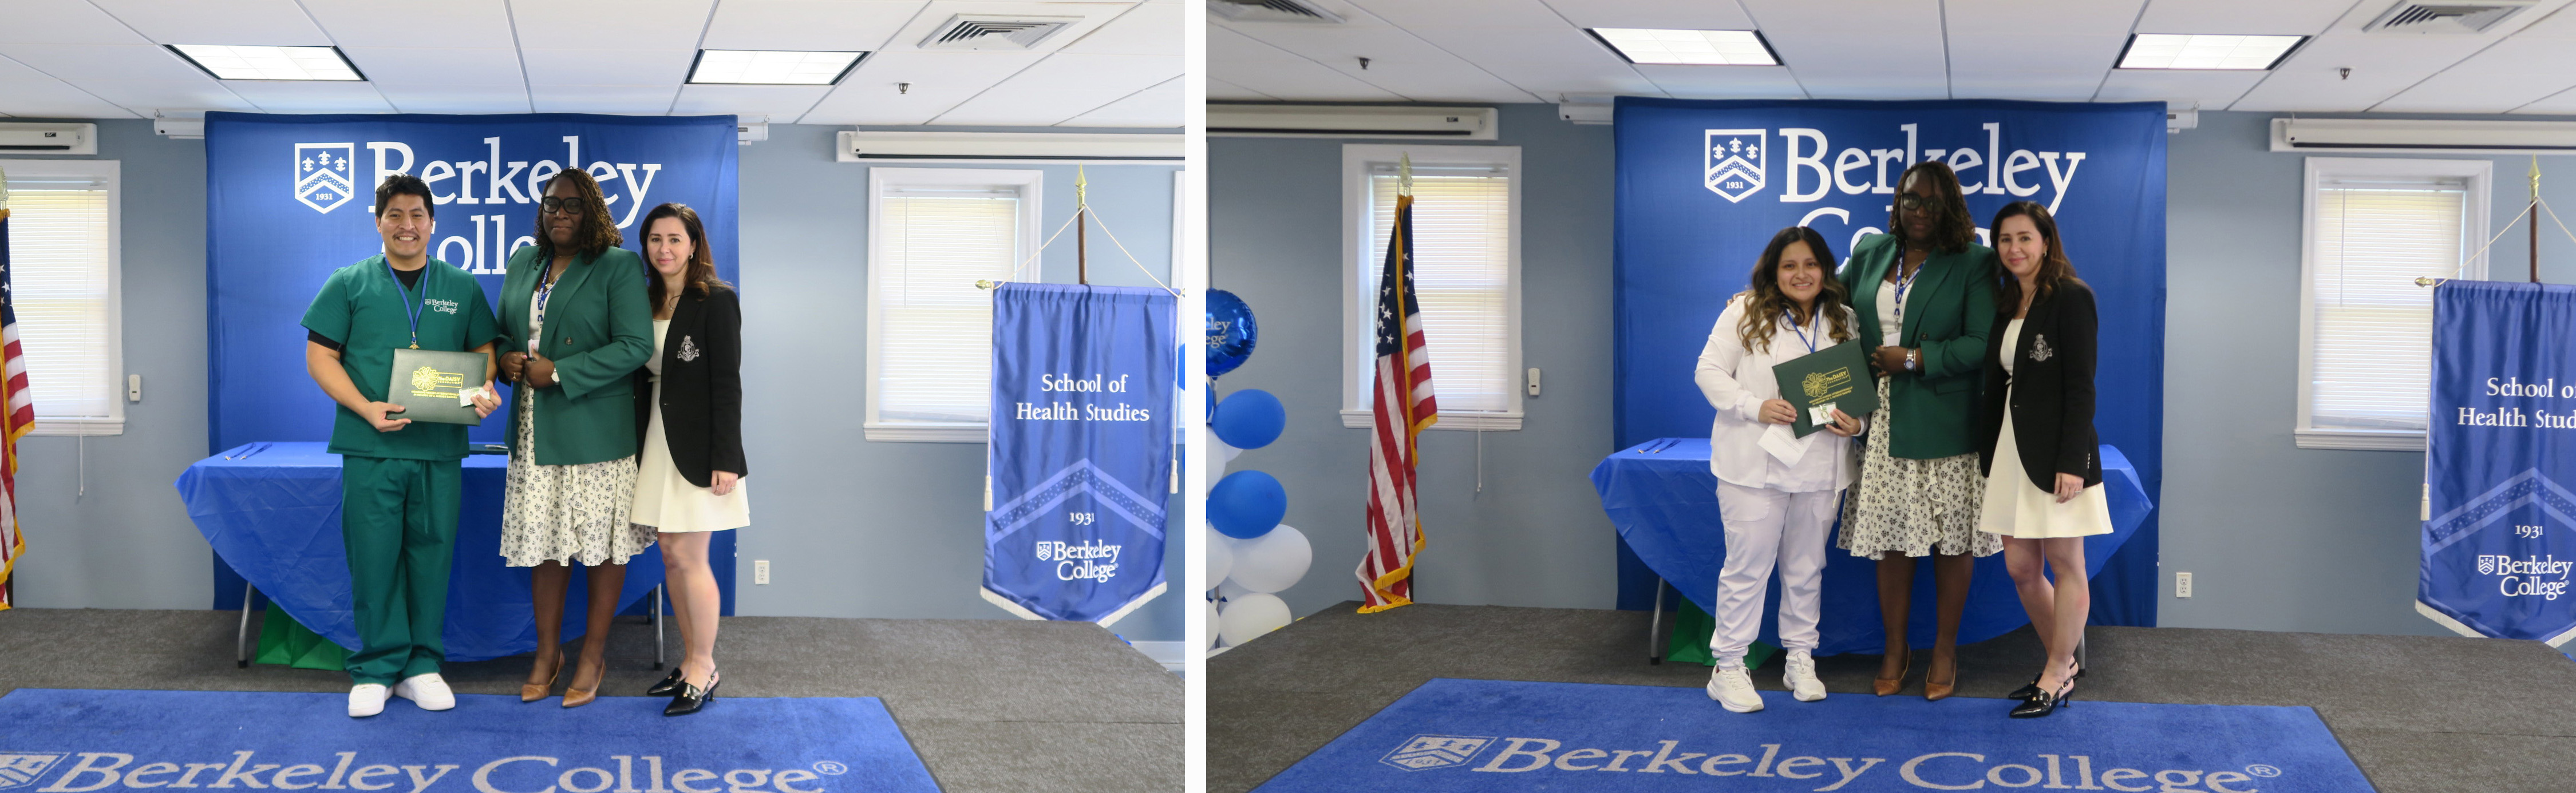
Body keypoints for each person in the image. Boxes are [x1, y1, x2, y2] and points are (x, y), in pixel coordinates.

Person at [300, 173, 502, 717]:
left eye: (417, 215)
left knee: (432, 557)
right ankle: (376, 668)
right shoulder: (349, 283)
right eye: (395, 215)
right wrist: (364, 407)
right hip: (372, 446)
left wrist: (482, 390)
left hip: (438, 447)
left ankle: (422, 667)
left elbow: (485, 352)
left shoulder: (461, 286)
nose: (406, 225)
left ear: (433, 224)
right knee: (374, 559)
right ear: (378, 222)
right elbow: (320, 356)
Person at [1838, 160, 2001, 701]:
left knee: (1952, 542)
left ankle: (1945, 651)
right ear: (1897, 202)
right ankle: (1895, 649)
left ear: (1950, 206)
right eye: (1911, 199)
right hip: (1880, 420)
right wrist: (1754, 299)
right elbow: (1824, 303)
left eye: (1932, 202)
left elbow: (1981, 343)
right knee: (1892, 542)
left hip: (1945, 421)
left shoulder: (1974, 262)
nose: (1920, 211)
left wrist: (1913, 358)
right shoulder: (1870, 253)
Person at [494, 168, 655, 708]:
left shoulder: (617, 265)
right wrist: (507, 357)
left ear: (592, 211)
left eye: (572, 205)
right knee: (545, 546)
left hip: (595, 430)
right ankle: (548, 655)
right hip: (534, 427)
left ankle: (592, 656)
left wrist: (561, 371)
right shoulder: (524, 261)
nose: (559, 214)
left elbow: (635, 345)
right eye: (550, 204)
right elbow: (502, 330)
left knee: (602, 549)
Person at [1695, 227, 1867, 713]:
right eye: (1790, 266)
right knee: (1747, 569)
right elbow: (1708, 371)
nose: (1801, 274)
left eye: (1810, 264)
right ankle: (1729, 668)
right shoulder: (1745, 312)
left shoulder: (1844, 319)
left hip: (1821, 466)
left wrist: (1857, 424)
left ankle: (1800, 658)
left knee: (1806, 568)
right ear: (1774, 271)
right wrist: (1755, 407)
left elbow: (1859, 389)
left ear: (1825, 270)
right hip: (1754, 466)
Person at [1976, 201, 2110, 719]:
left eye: (2025, 238)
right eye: (2005, 239)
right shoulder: (2007, 301)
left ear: (2046, 242)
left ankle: (2056, 672)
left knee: (2065, 562)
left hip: (2057, 453)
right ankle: (2063, 663)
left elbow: (2082, 386)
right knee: (2021, 567)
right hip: (2012, 450)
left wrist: (2072, 461)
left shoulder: (2071, 297)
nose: (2015, 248)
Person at [627, 203, 748, 716]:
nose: (665, 249)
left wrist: (727, 458)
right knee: (670, 554)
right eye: (655, 239)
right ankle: (688, 661)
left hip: (700, 447)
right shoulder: (645, 299)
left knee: (690, 556)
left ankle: (705, 666)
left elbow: (727, 383)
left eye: (675, 239)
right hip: (657, 439)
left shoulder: (716, 300)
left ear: (694, 244)